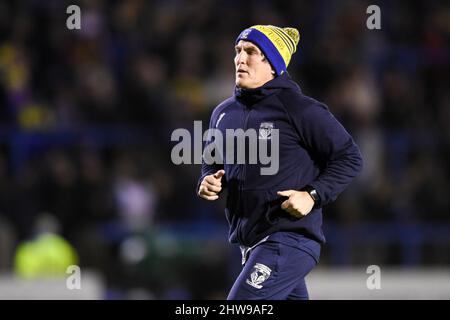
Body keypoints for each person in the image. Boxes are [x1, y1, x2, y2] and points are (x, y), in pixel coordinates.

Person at [197, 25, 363, 300]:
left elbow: (349, 157)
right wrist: (208, 180)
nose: (240, 58)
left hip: (288, 239)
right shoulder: (223, 113)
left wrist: (312, 195)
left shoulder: (299, 108)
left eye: (251, 52)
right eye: (238, 51)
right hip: (251, 244)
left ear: (273, 64)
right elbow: (211, 162)